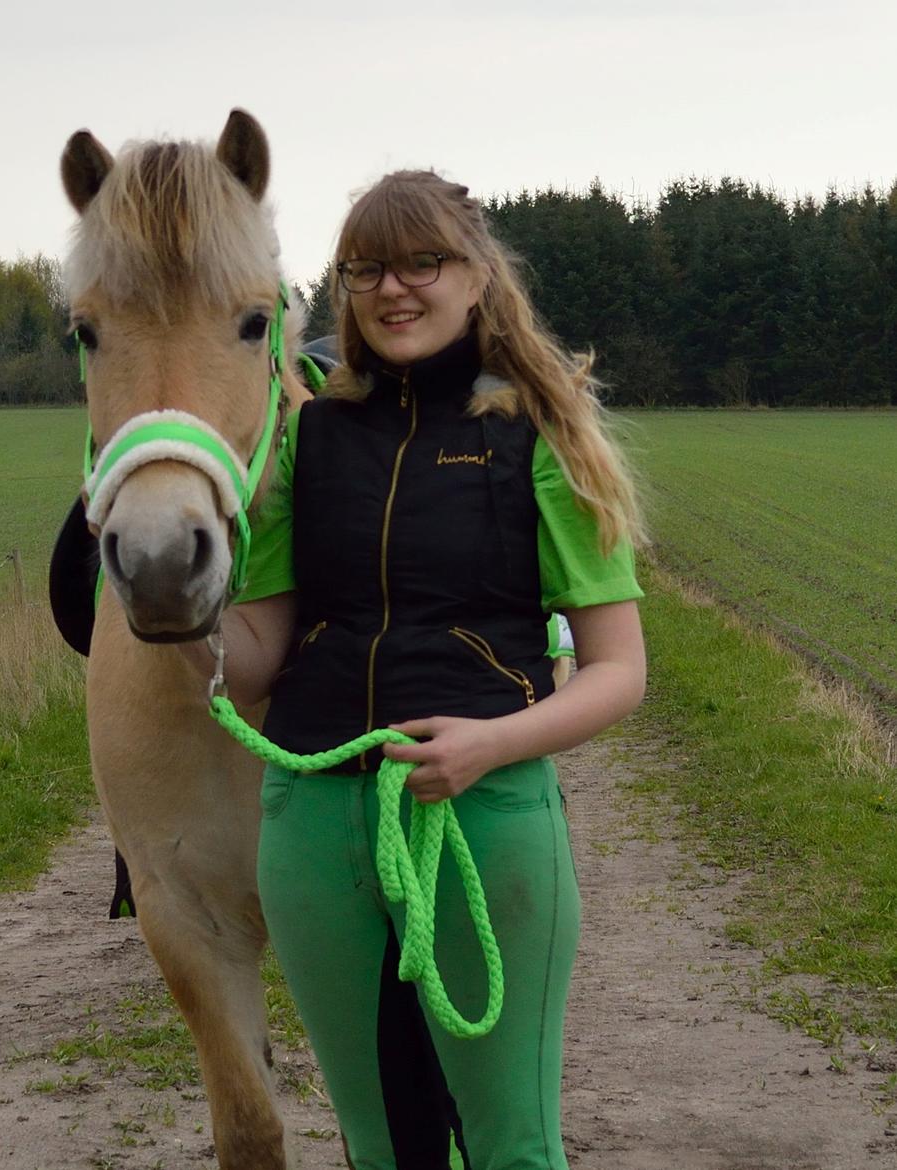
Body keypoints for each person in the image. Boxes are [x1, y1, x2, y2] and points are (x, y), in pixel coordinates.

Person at [183, 170, 646, 1170]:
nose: (394, 289)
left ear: (478, 276)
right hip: (311, 822)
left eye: (422, 262)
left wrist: (494, 744)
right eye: (366, 268)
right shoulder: (308, 440)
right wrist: (184, 613)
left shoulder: (540, 434)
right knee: (378, 1147)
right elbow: (258, 662)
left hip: (481, 816)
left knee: (511, 1145)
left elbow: (619, 671)